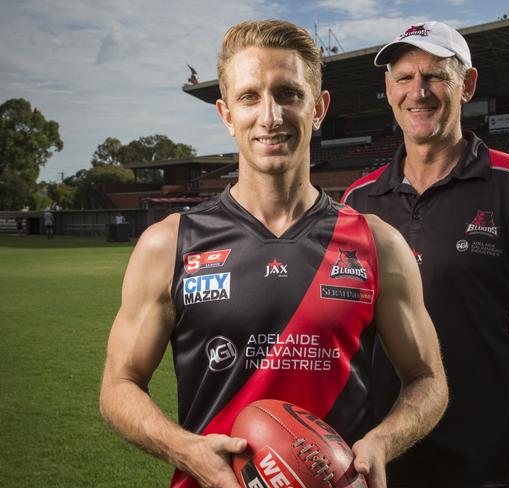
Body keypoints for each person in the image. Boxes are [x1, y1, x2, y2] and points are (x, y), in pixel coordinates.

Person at [100, 19, 448, 488]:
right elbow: (118, 386)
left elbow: (428, 379)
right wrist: (188, 450)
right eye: (249, 97)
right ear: (226, 114)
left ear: (319, 108)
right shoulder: (170, 244)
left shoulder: (377, 244)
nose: (271, 116)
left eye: (288, 94)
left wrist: (383, 441)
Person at [343, 21, 509, 488]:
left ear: (468, 85)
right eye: (403, 78)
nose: (417, 92)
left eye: (435, 76)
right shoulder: (357, 201)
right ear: (388, 89)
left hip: (493, 464)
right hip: (379, 464)